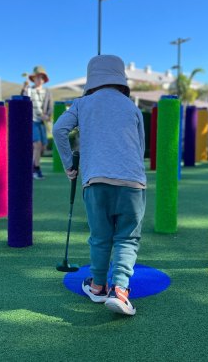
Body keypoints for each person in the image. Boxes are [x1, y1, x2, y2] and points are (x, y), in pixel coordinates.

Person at [53, 55, 146, 316]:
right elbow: (140, 147)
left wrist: (69, 164)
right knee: (127, 237)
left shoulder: (82, 104)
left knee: (101, 236)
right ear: (120, 78)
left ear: (92, 78)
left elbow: (60, 130)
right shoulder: (132, 107)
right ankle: (120, 291)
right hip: (132, 182)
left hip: (95, 182)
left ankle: (97, 287)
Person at [22, 65, 53, 180]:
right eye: (37, 77)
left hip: (41, 122)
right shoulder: (29, 90)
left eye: (41, 77)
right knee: (37, 145)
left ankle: (33, 167)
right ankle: (36, 169)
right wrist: (24, 89)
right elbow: (23, 99)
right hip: (31, 121)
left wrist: (47, 115)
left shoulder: (47, 92)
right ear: (33, 79)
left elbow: (50, 107)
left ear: (44, 79)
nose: (39, 79)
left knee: (42, 147)